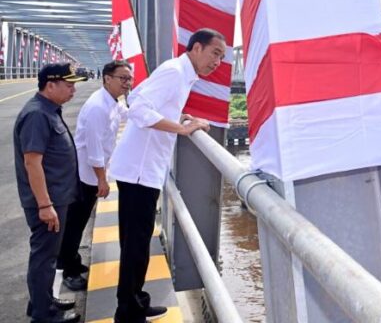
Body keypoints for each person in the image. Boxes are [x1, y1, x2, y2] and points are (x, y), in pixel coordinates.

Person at [108, 28, 224, 323]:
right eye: (215, 54)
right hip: (138, 170)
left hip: (144, 169)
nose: (218, 62)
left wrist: (182, 119)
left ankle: (137, 301)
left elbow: (148, 102)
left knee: (139, 240)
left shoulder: (183, 75)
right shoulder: (174, 72)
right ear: (196, 48)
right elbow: (137, 106)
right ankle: (128, 313)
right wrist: (182, 128)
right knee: (135, 243)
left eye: (222, 57)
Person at [13, 63, 86, 323]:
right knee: (44, 258)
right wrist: (44, 205)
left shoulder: (48, 110)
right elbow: (32, 162)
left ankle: (42, 303)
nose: (73, 90)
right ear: (50, 85)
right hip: (47, 202)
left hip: (57, 198)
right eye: (69, 85)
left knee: (48, 256)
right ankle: (44, 316)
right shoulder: (37, 115)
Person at [57, 61, 132, 291]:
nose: (127, 84)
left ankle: (73, 261)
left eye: (129, 79)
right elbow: (94, 151)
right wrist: (102, 180)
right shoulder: (97, 107)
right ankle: (67, 270)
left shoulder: (112, 102)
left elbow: (128, 115)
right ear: (107, 78)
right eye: (122, 79)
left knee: (76, 223)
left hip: (90, 173)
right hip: (85, 175)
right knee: (74, 224)